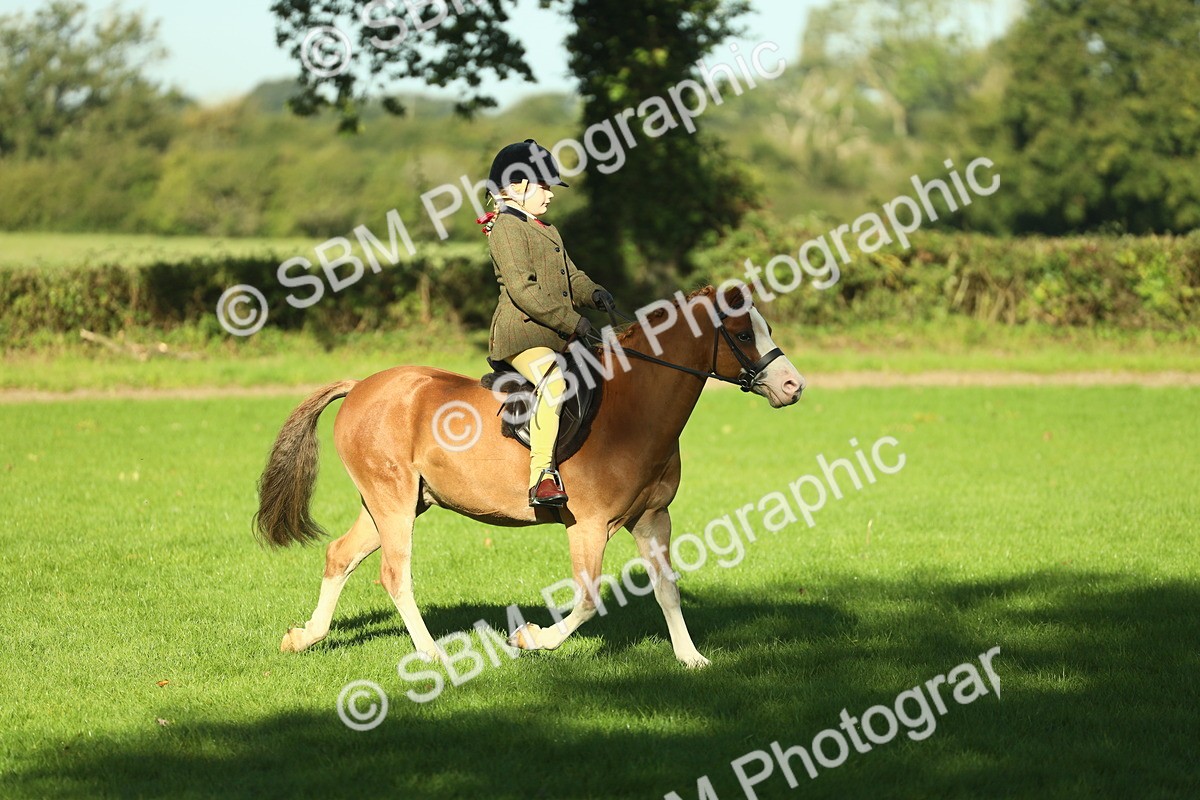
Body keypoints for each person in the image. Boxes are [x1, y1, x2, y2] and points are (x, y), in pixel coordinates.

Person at [478, 139, 614, 507]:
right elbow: (524, 290)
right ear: (519, 184)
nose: (550, 195)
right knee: (554, 382)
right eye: (544, 186)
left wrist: (595, 293)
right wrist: (573, 321)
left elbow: (573, 277)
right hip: (521, 335)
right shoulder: (506, 228)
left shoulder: (547, 229)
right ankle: (542, 476)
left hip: (553, 334)